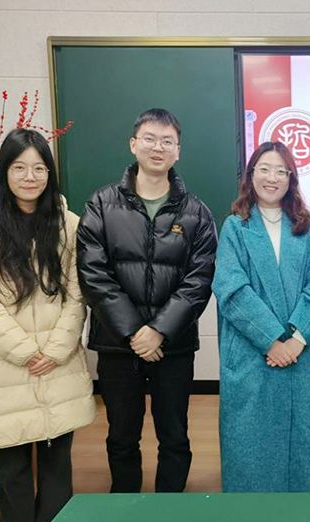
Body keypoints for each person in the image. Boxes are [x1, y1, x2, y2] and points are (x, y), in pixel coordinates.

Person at [0, 128, 96, 522]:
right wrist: (24, 351)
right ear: (4, 171)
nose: (30, 177)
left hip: (57, 367)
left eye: (39, 168)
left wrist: (55, 349)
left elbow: (78, 293)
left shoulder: (68, 224)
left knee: (57, 472)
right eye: (19, 168)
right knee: (12, 475)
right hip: (5, 370)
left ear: (50, 173)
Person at [76, 108, 217, 493]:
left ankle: (170, 506)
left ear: (178, 151)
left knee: (174, 435)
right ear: (133, 144)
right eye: (150, 139)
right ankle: (126, 505)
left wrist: (159, 331)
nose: (158, 147)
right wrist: (135, 331)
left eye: (167, 141)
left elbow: (199, 280)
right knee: (122, 435)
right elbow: (93, 273)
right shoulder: (101, 204)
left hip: (173, 344)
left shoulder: (196, 212)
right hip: (117, 344)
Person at [213, 141, 310, 492]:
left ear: (291, 178)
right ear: (251, 175)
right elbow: (231, 290)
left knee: (302, 438)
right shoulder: (235, 227)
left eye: (281, 171)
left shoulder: (308, 228)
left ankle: (302, 511)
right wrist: (272, 340)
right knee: (249, 436)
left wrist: (294, 339)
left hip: (298, 350)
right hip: (252, 351)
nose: (272, 177)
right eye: (264, 169)